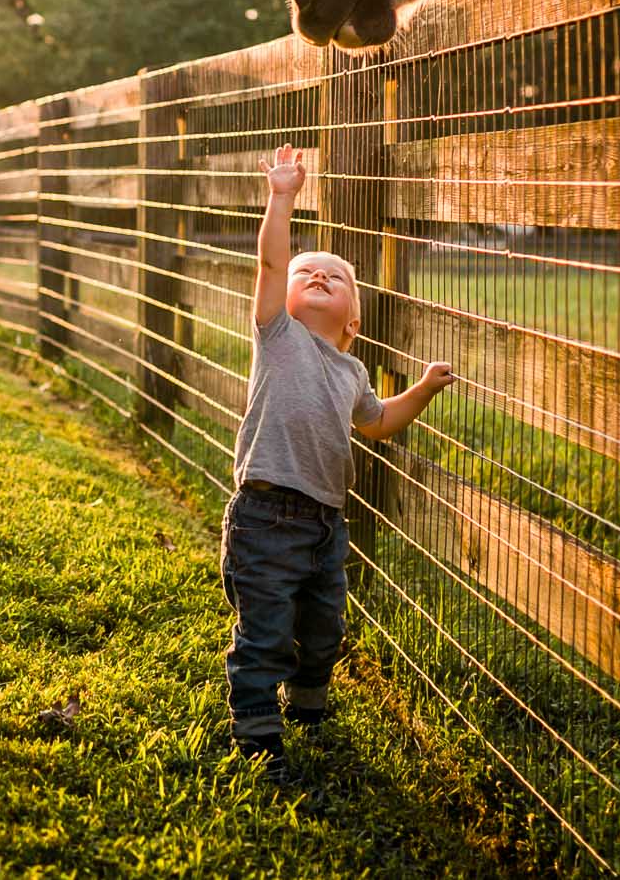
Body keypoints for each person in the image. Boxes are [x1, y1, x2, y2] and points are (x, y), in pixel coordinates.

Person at [223, 142, 455, 776]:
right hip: (266, 512)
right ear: (284, 298)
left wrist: (425, 389)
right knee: (266, 627)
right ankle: (256, 728)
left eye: (337, 277)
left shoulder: (352, 369)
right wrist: (282, 195)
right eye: (307, 274)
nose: (319, 276)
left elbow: (378, 424)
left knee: (324, 624)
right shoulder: (277, 335)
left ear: (354, 317)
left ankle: (309, 704)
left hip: (328, 521)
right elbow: (271, 261)